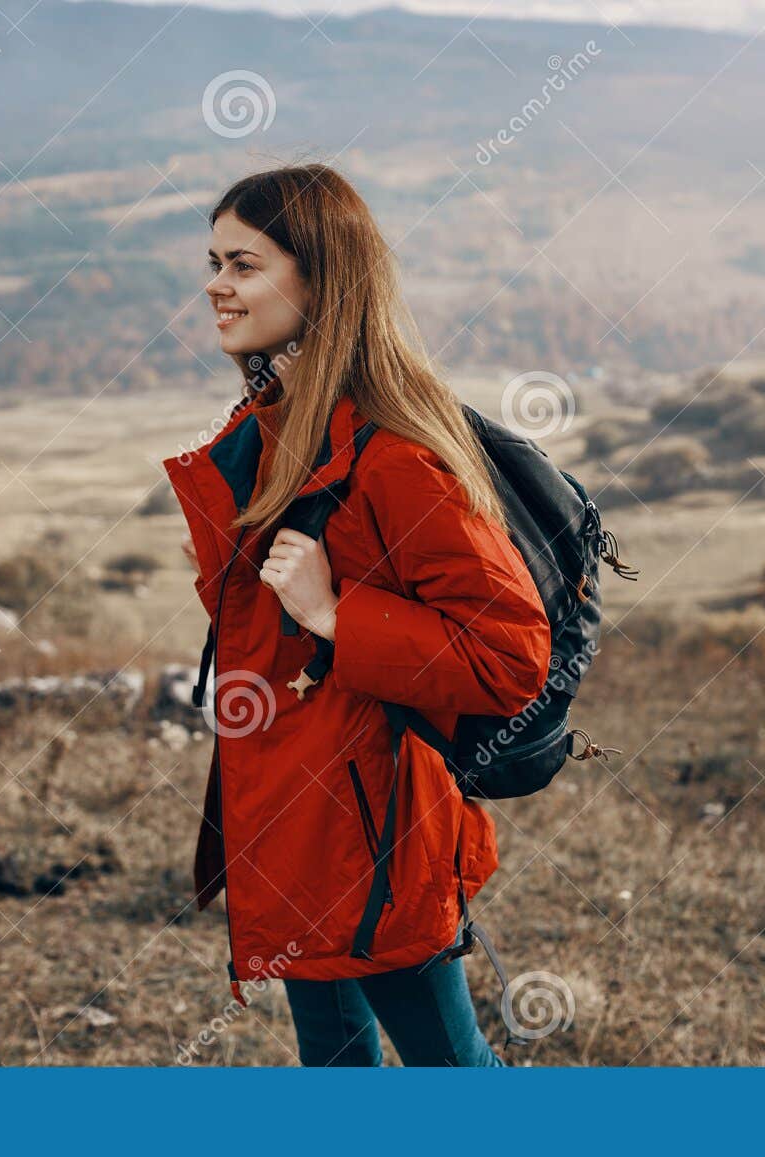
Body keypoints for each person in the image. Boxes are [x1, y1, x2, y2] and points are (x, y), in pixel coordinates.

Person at [161, 163, 551, 1066]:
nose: (216, 285)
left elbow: (509, 653)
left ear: (321, 280)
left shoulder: (395, 452)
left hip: (377, 829)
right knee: (336, 1073)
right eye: (214, 260)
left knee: (452, 1075)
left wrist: (339, 616)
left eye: (244, 264)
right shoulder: (287, 423)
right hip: (298, 810)